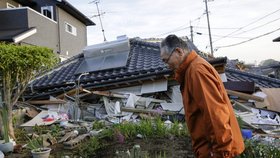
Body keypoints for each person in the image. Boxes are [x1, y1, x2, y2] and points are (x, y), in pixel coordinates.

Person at [160, 35, 245, 158]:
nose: (167, 65)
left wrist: (221, 152)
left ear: (178, 51)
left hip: (217, 152)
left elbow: (215, 114)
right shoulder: (191, 70)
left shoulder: (196, 70)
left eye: (166, 60)